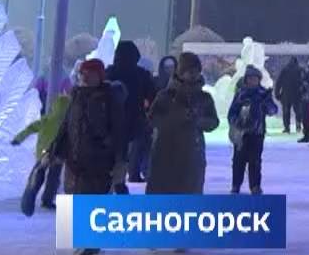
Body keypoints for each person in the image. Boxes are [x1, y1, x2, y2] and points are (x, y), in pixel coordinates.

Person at [62, 59, 123, 255]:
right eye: (83, 73)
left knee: (93, 199)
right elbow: (66, 126)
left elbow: (118, 128)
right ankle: (80, 239)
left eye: (90, 73)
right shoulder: (76, 96)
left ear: (100, 76)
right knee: (75, 197)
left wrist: (112, 149)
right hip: (75, 157)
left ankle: (93, 241)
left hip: (97, 159)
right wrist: (57, 150)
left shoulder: (108, 99)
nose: (85, 77)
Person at [147, 52, 219, 195]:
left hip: (192, 156)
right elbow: (153, 119)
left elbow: (213, 121)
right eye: (188, 71)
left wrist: (198, 121)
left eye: (196, 71)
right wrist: (175, 119)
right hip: (165, 154)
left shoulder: (204, 98)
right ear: (180, 72)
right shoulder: (166, 96)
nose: (192, 74)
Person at [14, 89, 72, 215]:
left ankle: (30, 193)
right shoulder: (68, 124)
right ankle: (47, 200)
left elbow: (30, 128)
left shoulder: (46, 119)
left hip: (43, 152)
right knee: (53, 177)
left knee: (37, 173)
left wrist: (18, 139)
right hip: (58, 153)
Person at [107, 41, 155, 186]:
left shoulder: (109, 72)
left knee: (113, 153)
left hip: (110, 120)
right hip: (136, 119)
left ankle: (115, 180)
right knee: (139, 147)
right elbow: (153, 95)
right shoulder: (142, 74)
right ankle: (131, 175)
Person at [226, 65, 278, 194]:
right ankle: (236, 185)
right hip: (241, 134)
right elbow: (232, 112)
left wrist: (266, 103)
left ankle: (255, 186)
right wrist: (236, 122)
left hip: (257, 133)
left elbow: (273, 110)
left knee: (255, 161)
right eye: (250, 78)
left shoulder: (263, 94)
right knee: (238, 161)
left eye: (254, 78)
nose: (252, 81)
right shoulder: (240, 94)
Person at [274, 55, 303, 139]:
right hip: (297, 94)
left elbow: (279, 82)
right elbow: (303, 82)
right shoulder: (300, 70)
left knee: (286, 112)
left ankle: (287, 128)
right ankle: (298, 126)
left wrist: (277, 93)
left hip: (286, 95)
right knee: (298, 111)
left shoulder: (285, 70)